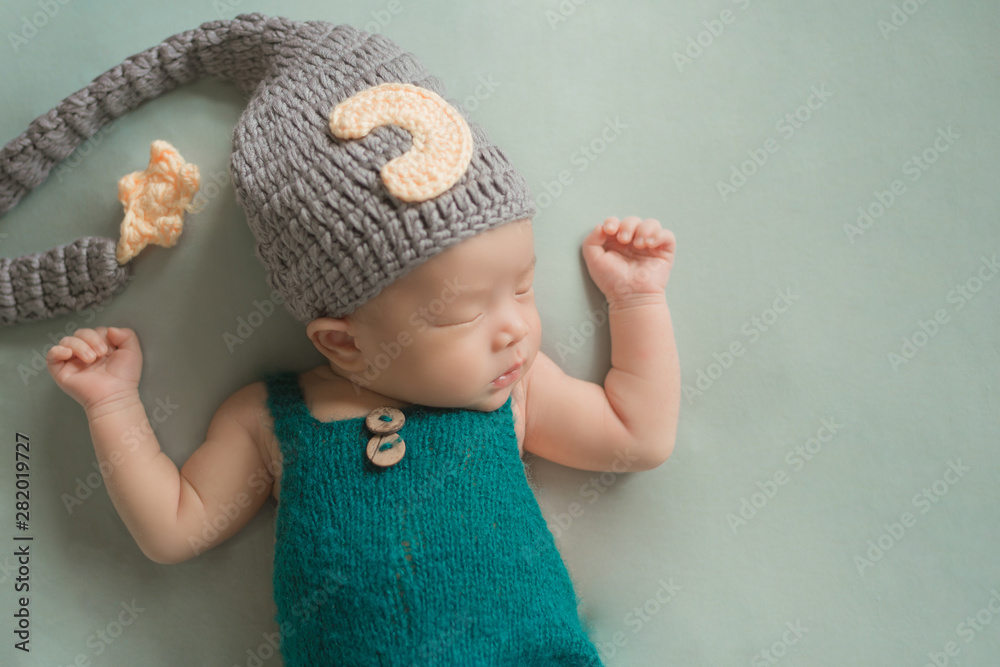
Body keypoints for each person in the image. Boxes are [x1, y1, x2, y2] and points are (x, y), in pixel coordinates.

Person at [10, 13, 680, 665]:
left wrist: (636, 297)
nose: (516, 329)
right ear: (343, 341)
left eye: (525, 287)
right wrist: (112, 405)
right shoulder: (270, 419)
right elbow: (175, 526)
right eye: (461, 315)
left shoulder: (515, 393)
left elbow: (636, 434)